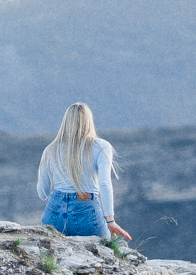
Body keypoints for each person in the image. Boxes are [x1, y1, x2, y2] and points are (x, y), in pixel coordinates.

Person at [37, 102, 130, 242]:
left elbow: (42, 192)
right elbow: (104, 183)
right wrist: (110, 220)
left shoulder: (50, 149)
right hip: (86, 212)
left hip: (54, 215)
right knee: (112, 248)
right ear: (89, 121)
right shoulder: (101, 146)